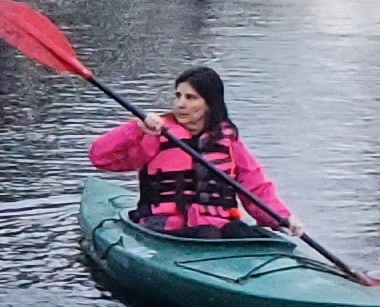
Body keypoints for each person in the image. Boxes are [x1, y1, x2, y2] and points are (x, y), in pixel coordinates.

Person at [87, 67, 286, 236]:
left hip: (217, 227)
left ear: (209, 104)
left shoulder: (228, 141)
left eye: (191, 98)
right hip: (163, 228)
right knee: (207, 234)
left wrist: (282, 219)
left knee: (242, 233)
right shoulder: (156, 133)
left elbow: (256, 188)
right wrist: (136, 129)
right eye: (178, 96)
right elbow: (100, 157)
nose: (180, 104)